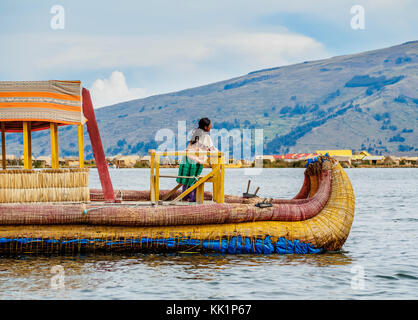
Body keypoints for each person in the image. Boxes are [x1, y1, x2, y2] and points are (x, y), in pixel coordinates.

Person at [176, 118, 217, 202]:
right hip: (195, 160)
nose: (211, 126)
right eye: (210, 125)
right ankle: (193, 199)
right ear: (206, 127)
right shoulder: (206, 137)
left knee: (187, 178)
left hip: (187, 159)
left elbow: (191, 146)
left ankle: (185, 197)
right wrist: (218, 153)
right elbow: (211, 148)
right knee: (194, 179)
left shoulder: (195, 134)